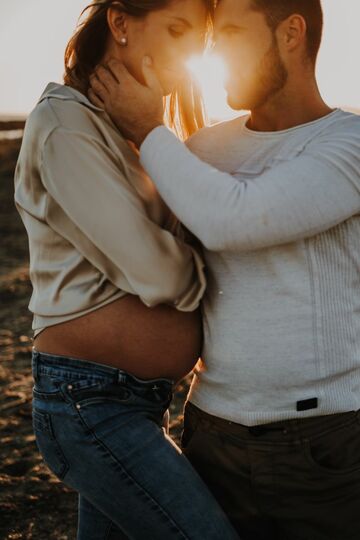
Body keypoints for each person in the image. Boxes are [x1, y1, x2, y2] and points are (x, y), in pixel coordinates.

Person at [88, 0, 360, 538]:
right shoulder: (202, 149)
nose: (214, 49)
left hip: (324, 442)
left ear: (291, 34)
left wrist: (149, 128)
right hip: (209, 434)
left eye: (232, 31)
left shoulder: (347, 143)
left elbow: (235, 219)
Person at [14, 1, 240, 539]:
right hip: (88, 403)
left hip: (132, 400)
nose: (187, 54)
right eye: (176, 30)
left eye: (197, 41)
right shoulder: (65, 125)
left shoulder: (130, 128)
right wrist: (215, 273)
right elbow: (160, 276)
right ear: (119, 23)